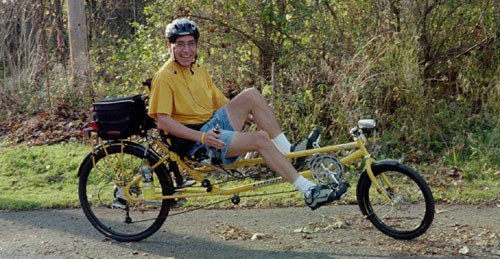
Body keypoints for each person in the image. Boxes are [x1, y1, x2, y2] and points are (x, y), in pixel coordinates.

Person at [148, 18, 343, 210]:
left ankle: (288, 152)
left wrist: (252, 116)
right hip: (196, 143)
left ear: (197, 46)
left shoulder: (198, 69)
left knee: (251, 95)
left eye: (191, 44)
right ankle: (309, 191)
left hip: (211, 126)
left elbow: (222, 103)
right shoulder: (164, 77)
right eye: (180, 44)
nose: (186, 50)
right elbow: (163, 122)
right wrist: (203, 137)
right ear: (169, 46)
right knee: (260, 139)